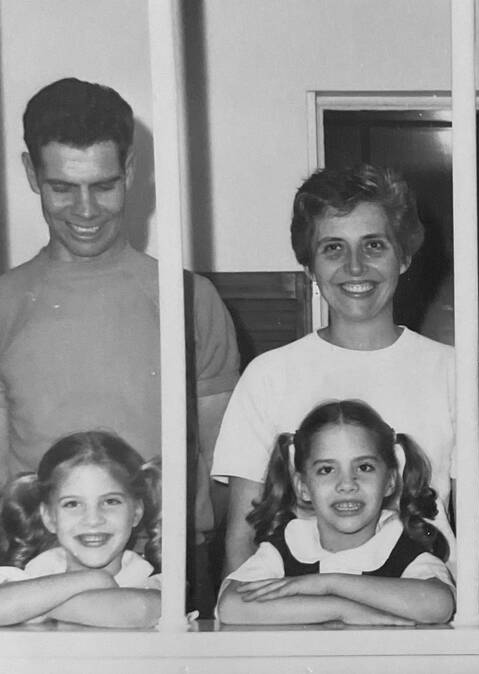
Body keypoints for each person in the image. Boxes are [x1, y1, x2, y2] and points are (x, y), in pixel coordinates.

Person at [0, 78, 240, 613]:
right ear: (30, 174)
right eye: (63, 187)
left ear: (131, 170)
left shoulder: (188, 298)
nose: (86, 210)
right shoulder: (7, 302)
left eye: (104, 185)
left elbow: (221, 464)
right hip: (30, 565)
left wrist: (175, 538)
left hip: (165, 562)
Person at [212, 164, 479, 576]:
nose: (355, 267)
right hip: (299, 619)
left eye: (374, 245)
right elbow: (241, 540)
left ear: (403, 256)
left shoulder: (457, 376)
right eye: (333, 248)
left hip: (424, 619)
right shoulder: (269, 377)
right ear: (310, 267)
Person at [217, 399, 454, 625]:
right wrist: (342, 610)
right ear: (302, 487)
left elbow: (439, 605)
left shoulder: (400, 545)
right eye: (326, 470)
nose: (347, 483)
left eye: (364, 467)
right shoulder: (289, 545)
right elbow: (230, 605)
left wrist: (327, 584)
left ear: (390, 481)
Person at [0, 431, 161, 627]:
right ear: (49, 517)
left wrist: (28, 608)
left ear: (136, 512)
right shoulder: (27, 576)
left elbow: (140, 611)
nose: (93, 520)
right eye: (72, 504)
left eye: (110, 501)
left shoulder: (150, 582)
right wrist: (91, 580)